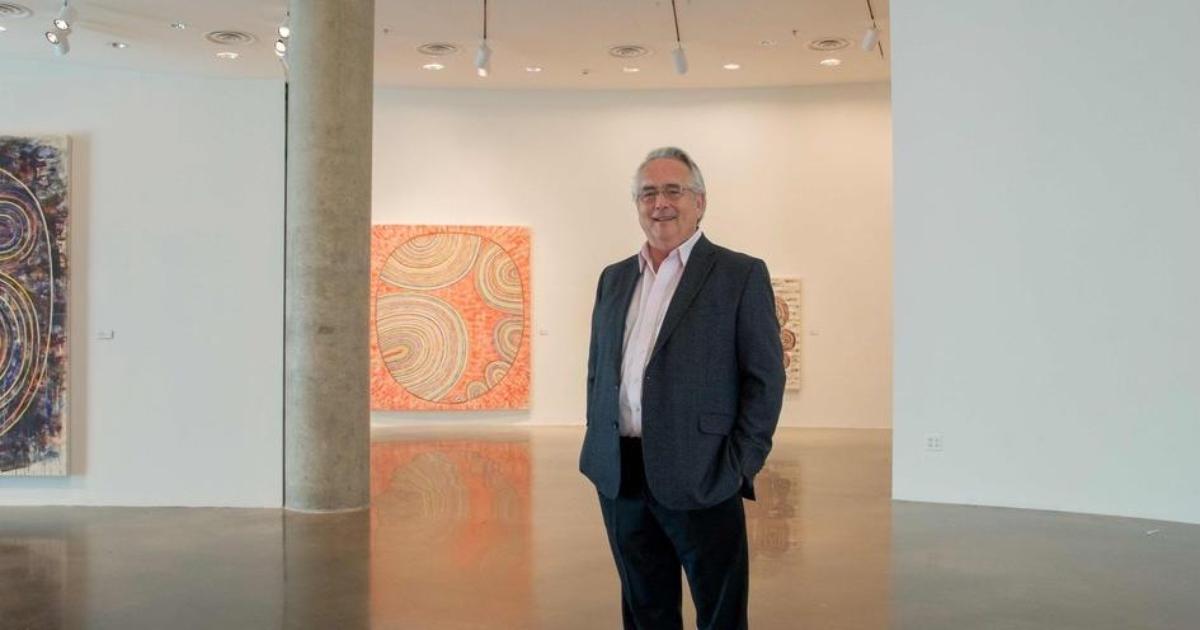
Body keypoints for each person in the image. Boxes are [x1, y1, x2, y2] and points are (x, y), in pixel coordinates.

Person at [580, 147, 786, 629]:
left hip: (704, 472)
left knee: (720, 611)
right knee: (644, 607)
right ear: (637, 204)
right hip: (621, 476)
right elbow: (598, 370)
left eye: (674, 190)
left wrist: (740, 465)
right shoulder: (614, 278)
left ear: (700, 202)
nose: (660, 204)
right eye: (648, 193)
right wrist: (598, 439)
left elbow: (765, 376)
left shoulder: (739, 274)